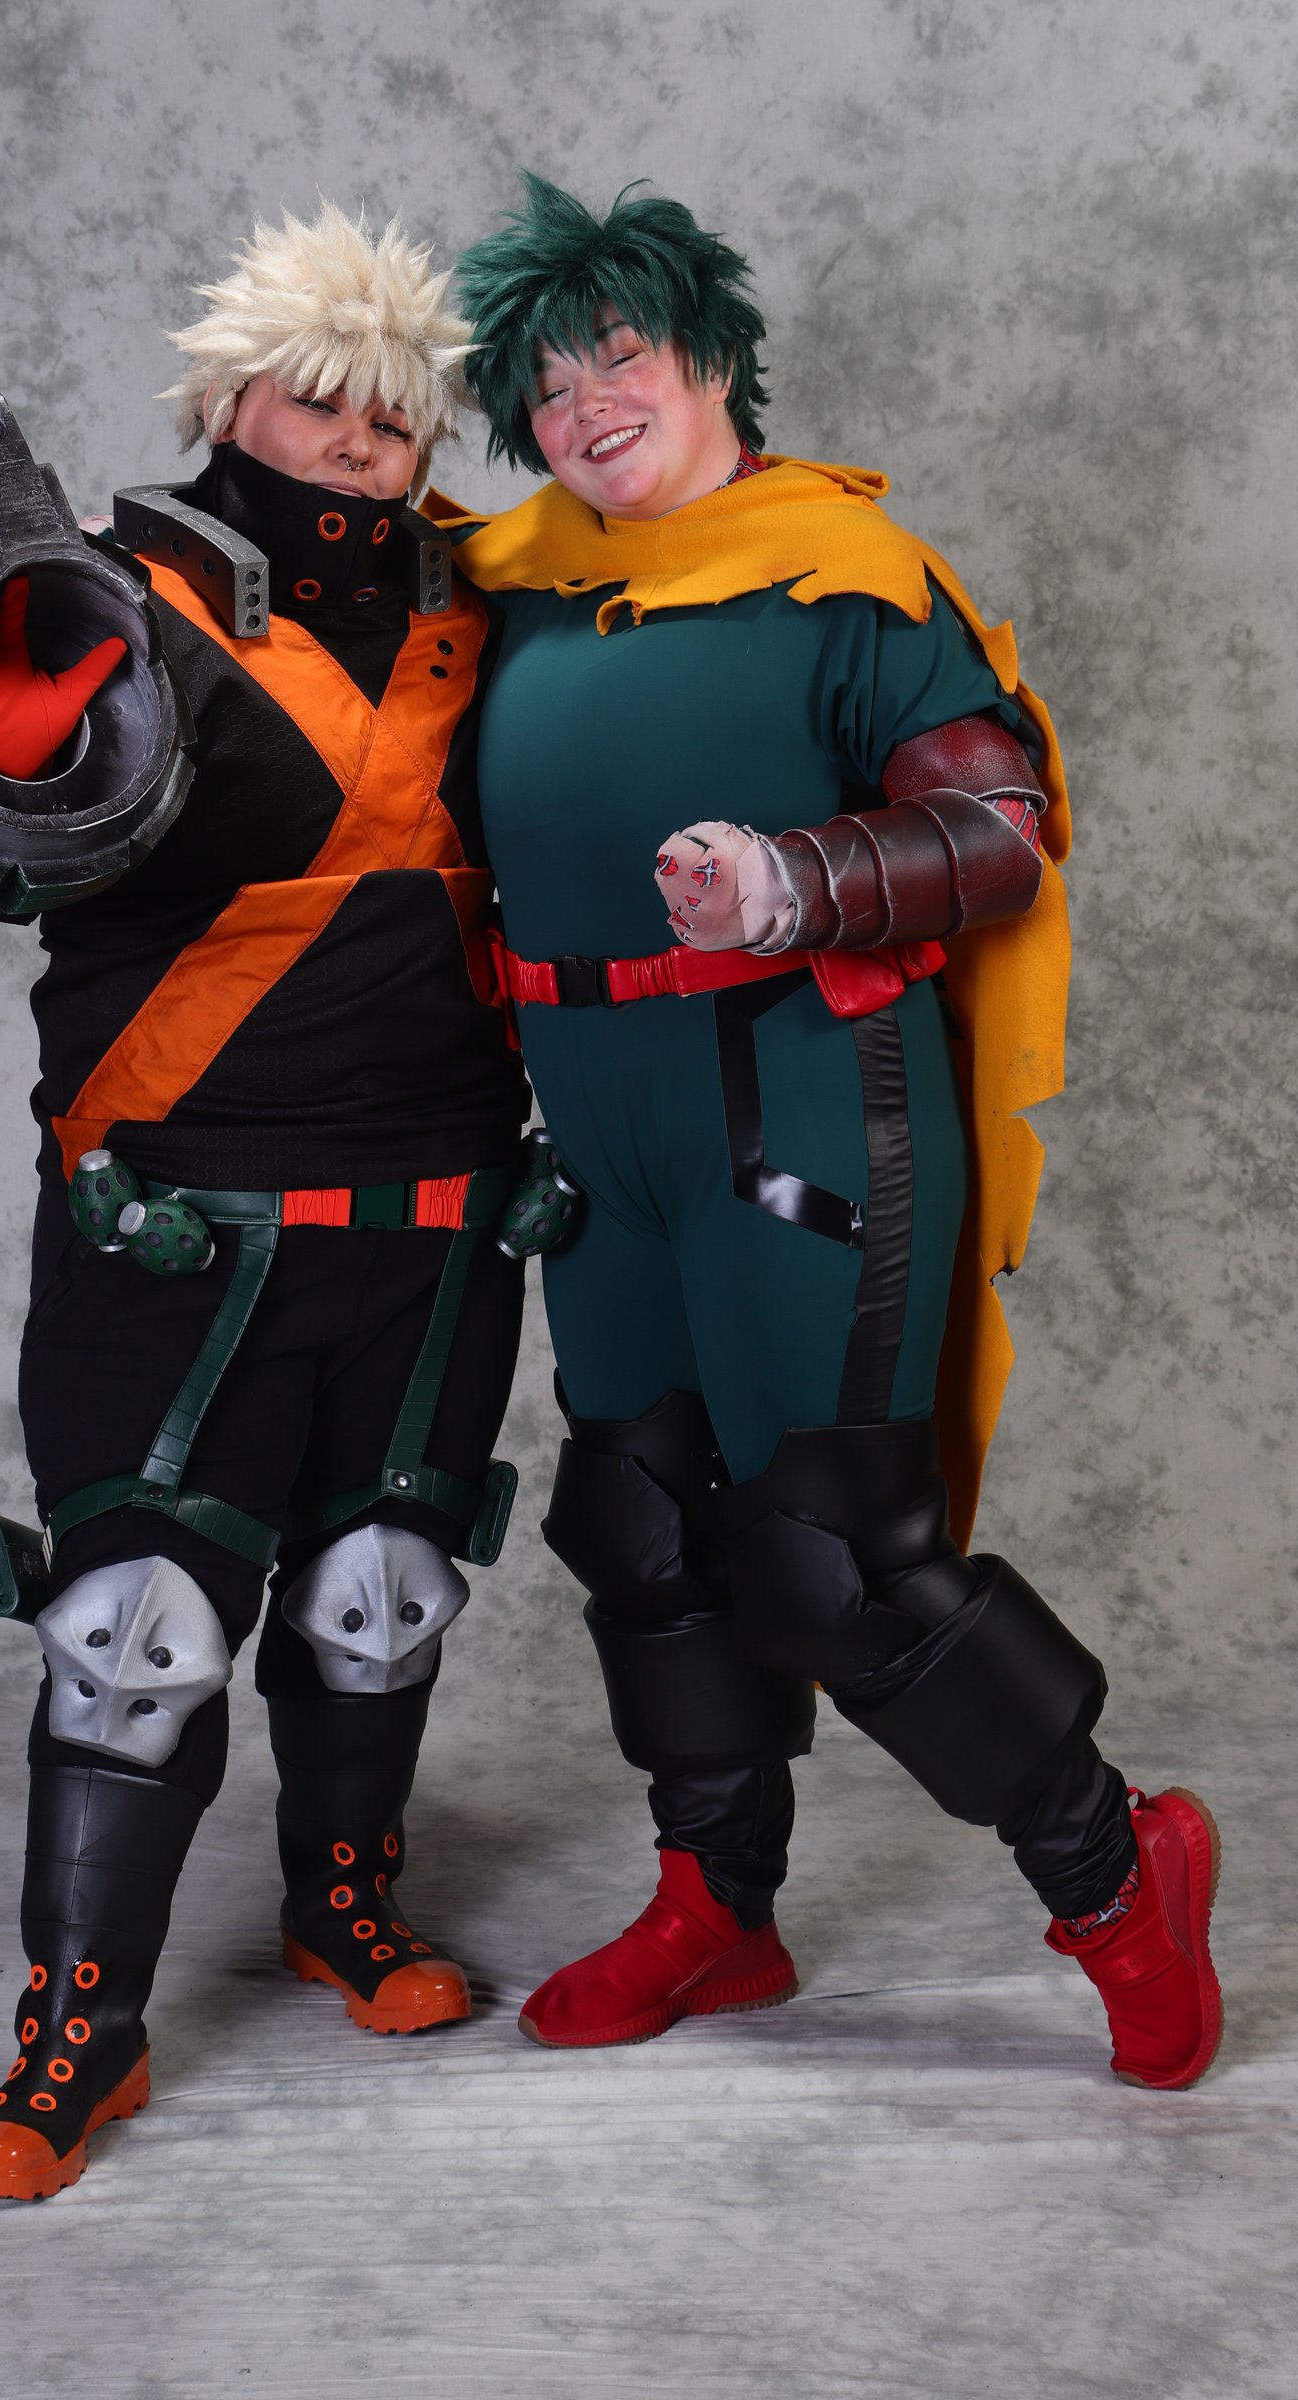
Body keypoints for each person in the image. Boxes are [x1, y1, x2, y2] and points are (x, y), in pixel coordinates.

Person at [439, 175, 1221, 2086]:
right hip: (597, 1119)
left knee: (830, 1556)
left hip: (792, 1092)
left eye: (620, 357)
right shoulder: (513, 590)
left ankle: (1120, 1877)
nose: (586, 407)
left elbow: (996, 828)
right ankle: (718, 1906)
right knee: (638, 1513)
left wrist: (797, 879)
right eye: (546, 387)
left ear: (711, 356)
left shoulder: (845, 578)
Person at [0, 204, 529, 2198]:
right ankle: (81, 2026)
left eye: (389, 415)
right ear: (230, 400)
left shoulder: (491, 609)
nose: (352, 441)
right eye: (313, 402)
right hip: (176, 1208)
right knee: (134, 1627)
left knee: (379, 1594)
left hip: (438, 1203)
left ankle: (344, 1900)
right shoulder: (109, 598)